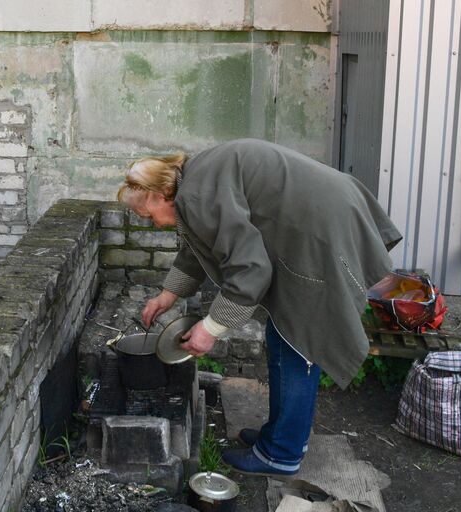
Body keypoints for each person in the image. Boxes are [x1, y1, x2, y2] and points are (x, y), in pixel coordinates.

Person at [116, 138, 401, 478]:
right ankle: (285, 436)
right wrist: (168, 295)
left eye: (148, 216)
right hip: (325, 214)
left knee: (298, 341)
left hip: (319, 231)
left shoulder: (195, 195)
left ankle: (281, 454)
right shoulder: (194, 179)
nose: (154, 225)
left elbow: (251, 270)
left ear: (161, 195)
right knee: (284, 335)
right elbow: (204, 244)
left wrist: (211, 328)